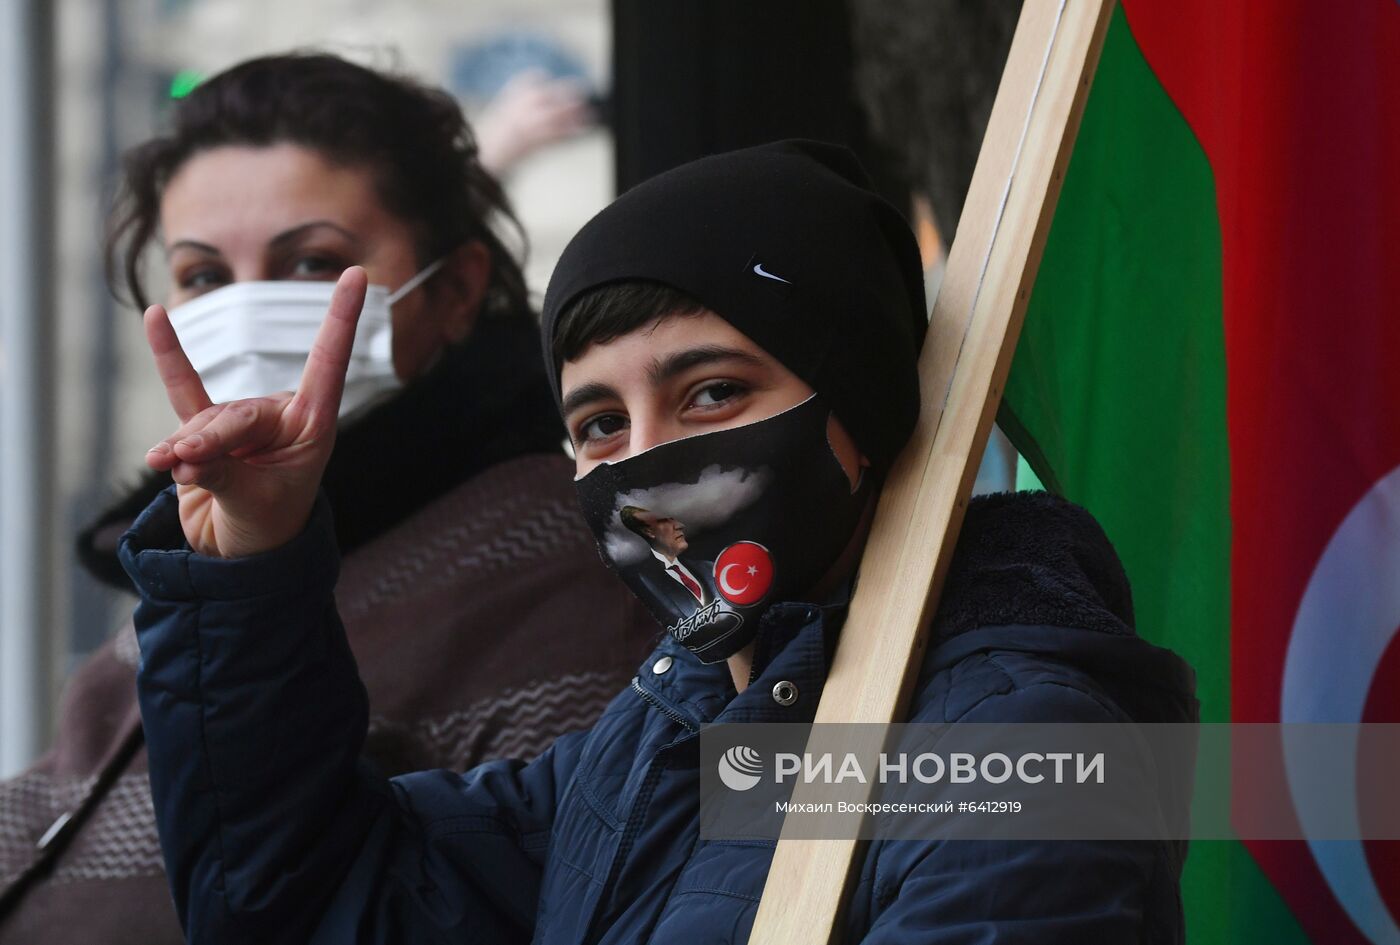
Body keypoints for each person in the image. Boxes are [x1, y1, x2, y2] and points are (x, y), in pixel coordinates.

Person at [119, 140, 1197, 943]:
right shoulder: (659, 740)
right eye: (597, 424)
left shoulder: (1012, 747)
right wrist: (249, 565)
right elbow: (309, 904)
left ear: (857, 412)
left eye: (712, 393)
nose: (645, 461)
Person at [0, 53, 654, 944]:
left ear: (455, 290)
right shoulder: (195, 558)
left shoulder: (561, 558)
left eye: (310, 261)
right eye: (200, 276)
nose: (244, 309)